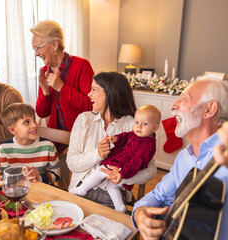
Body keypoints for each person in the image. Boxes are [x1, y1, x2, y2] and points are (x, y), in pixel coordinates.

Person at [132, 79, 228, 239]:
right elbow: (158, 195)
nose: (173, 105)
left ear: (209, 109)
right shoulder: (185, 157)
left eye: (183, 99)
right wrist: (139, 213)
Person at [67, 72, 157, 209]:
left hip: (111, 194)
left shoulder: (134, 125)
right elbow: (72, 163)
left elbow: (151, 170)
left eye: (94, 89)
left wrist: (122, 175)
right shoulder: (83, 120)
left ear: (110, 93)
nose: (88, 94)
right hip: (80, 187)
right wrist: (97, 154)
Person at [70, 105, 160, 212]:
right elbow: (126, 136)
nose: (139, 127)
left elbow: (137, 163)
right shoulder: (136, 134)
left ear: (155, 128)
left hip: (122, 167)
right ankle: (120, 207)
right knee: (111, 187)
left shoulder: (147, 145)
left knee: (100, 170)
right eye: (137, 123)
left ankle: (82, 189)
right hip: (120, 169)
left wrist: (122, 173)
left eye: (145, 124)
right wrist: (117, 138)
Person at [31, 20, 94, 150]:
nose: (36, 54)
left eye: (38, 48)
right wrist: (45, 92)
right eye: (34, 49)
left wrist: (62, 88)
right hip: (55, 140)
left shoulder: (81, 66)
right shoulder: (45, 72)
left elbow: (92, 106)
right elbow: (42, 113)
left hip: (81, 140)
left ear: (54, 44)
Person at [0, 103, 60, 184]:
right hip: (19, 189)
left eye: (34, 119)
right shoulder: (4, 149)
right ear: (13, 130)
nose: (34, 125)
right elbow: (7, 176)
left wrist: (39, 177)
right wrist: (1, 176)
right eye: (27, 122)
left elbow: (57, 174)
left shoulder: (48, 146)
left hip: (43, 190)